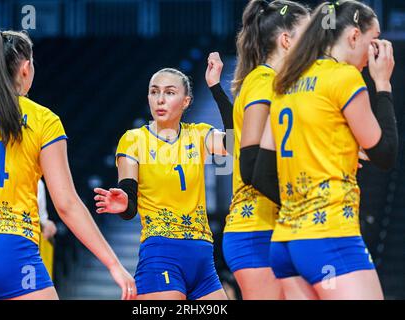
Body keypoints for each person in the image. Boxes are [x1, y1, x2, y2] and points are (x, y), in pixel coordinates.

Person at [0, 28, 136, 300]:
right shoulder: (44, 121)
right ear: (26, 68)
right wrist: (113, 264)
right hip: (10, 246)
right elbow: (66, 204)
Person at [254, 0, 397, 299]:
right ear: (354, 37)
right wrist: (382, 82)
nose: (376, 51)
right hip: (330, 236)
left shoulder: (286, 82)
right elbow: (385, 154)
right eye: (375, 40)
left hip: (286, 244)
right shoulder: (343, 77)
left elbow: (263, 173)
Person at [94, 68, 229, 300]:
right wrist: (125, 203)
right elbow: (129, 198)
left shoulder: (199, 134)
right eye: (154, 92)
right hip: (162, 253)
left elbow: (238, 142)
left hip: (202, 257)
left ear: (186, 101)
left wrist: (216, 87)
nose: (160, 99)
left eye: (169, 92)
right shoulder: (134, 139)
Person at [205, 0, 309, 299]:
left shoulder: (271, 84)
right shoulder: (264, 83)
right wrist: (304, 203)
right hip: (256, 229)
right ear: (286, 40)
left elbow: (234, 140)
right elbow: (250, 165)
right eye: (307, 35)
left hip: (270, 227)